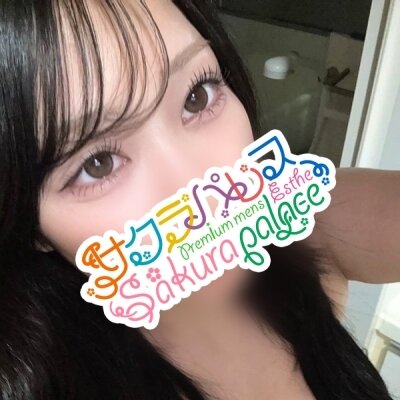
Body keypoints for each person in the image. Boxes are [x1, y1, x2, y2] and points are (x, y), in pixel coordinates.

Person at [0, 0, 398, 399]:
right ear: (30, 224)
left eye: (197, 96)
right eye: (98, 164)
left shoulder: (310, 229)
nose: (201, 191)